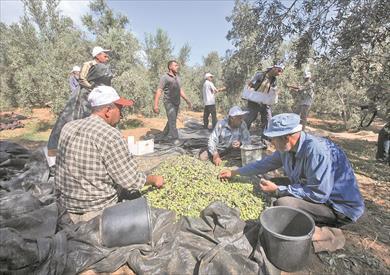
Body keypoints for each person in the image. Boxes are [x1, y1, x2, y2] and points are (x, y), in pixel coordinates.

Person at [219, 113, 365, 227]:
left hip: (337, 207)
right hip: (313, 189)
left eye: (273, 140)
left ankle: (323, 229)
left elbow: (318, 194)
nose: (271, 144)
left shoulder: (317, 152)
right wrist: (235, 172)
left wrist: (278, 190)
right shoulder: (287, 149)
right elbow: (263, 164)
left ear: (286, 138)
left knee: (284, 204)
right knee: (270, 182)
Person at [55, 86, 164, 223]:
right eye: (120, 109)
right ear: (107, 111)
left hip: (66, 205)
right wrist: (154, 179)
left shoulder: (68, 127)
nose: (122, 115)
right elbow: (130, 180)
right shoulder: (110, 135)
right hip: (97, 209)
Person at [47, 46, 113, 156]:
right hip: (84, 95)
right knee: (77, 117)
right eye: (103, 54)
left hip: (96, 94)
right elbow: (82, 79)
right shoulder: (89, 64)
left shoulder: (103, 67)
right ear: (97, 55)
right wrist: (91, 87)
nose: (106, 56)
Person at [153, 60, 192, 144]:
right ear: (170, 67)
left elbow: (180, 90)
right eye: (175, 65)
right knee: (173, 121)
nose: (177, 67)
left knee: (171, 120)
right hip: (168, 102)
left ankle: (162, 136)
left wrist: (187, 100)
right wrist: (155, 105)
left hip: (176, 103)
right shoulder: (165, 77)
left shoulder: (178, 77)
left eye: (177, 65)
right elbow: (159, 90)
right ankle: (176, 140)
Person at [244, 64, 284, 133]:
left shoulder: (274, 80)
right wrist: (249, 91)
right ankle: (242, 136)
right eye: (279, 71)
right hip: (254, 101)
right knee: (249, 118)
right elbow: (250, 84)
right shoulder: (260, 75)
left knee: (268, 120)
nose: (280, 74)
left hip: (265, 102)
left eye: (281, 72)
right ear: (274, 68)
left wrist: (275, 93)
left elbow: (273, 90)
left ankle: (265, 139)